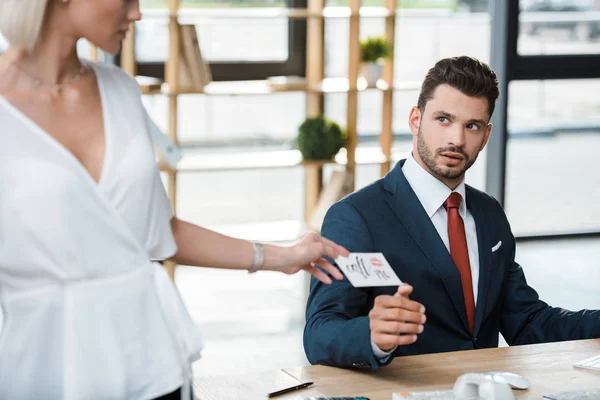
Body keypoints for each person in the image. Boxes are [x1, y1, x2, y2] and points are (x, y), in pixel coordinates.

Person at [0, 1, 348, 399]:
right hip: (45, 367)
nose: (137, 14)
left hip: (151, 361)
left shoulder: (120, 90)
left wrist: (282, 257)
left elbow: (157, 230)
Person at [303, 55, 600, 370]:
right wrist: (373, 335)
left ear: (485, 136)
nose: (456, 139)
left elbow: (526, 321)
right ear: (416, 120)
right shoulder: (356, 216)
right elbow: (320, 333)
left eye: (471, 126)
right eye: (443, 119)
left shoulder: (488, 213)